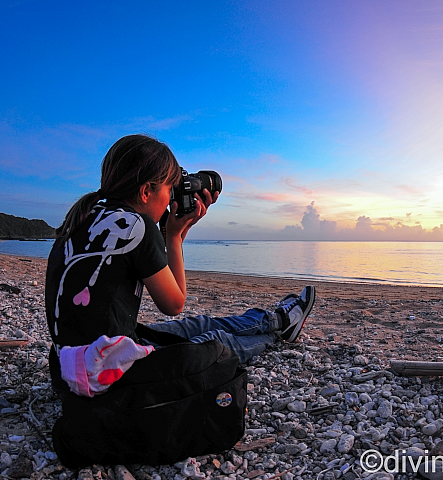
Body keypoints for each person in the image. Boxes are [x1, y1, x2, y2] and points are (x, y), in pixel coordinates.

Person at [45, 133, 315, 397]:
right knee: (213, 344)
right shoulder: (136, 226)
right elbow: (173, 304)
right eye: (167, 189)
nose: (169, 201)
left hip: (68, 366)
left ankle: (277, 320)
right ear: (146, 191)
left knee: (194, 327)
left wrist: (172, 234)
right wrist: (173, 237)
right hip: (106, 375)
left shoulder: (80, 219)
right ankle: (277, 334)